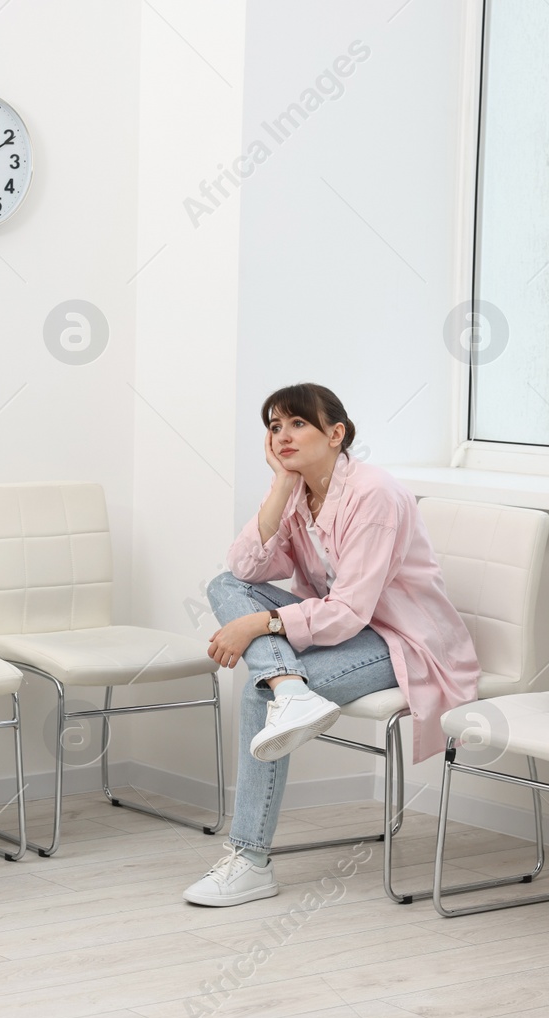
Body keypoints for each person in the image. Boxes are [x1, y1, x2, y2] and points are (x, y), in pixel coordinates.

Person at [182, 383, 479, 907]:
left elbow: (348, 611)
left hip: (404, 641)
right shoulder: (298, 492)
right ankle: (290, 685)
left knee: (259, 691)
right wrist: (279, 486)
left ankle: (250, 861)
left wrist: (258, 626)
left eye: (298, 424)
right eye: (274, 427)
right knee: (223, 585)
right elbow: (245, 569)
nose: (283, 436)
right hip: (348, 631)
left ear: (336, 434)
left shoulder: (375, 495)